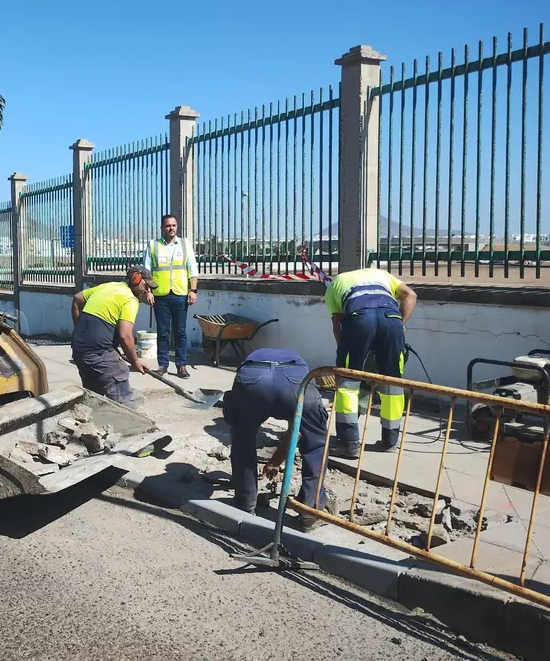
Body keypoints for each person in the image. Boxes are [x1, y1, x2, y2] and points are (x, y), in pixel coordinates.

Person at [222, 347, 335, 530]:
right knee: (316, 445)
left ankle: (246, 503)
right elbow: (295, 430)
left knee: (243, 438)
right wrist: (276, 461)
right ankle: (309, 512)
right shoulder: (298, 362)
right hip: (295, 381)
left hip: (253, 378)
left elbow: (237, 433)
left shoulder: (254, 355)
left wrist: (274, 462)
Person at [325, 268, 418, 458]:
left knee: (348, 384)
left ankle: (349, 443)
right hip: (392, 320)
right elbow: (410, 295)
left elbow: (338, 325)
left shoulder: (334, 284)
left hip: (359, 319)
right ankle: (390, 441)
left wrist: (346, 357)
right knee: (393, 383)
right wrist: (399, 325)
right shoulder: (381, 274)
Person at [70, 266, 155, 407]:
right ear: (136, 279)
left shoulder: (109, 286)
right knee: (120, 374)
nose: (147, 291)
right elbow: (125, 335)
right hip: (98, 352)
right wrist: (135, 361)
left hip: (79, 349)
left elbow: (77, 298)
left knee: (93, 396)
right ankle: (127, 424)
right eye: (145, 286)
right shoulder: (130, 299)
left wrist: (80, 329)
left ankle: (91, 421)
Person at [143, 214, 199, 379]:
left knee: (180, 331)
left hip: (181, 294)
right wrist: (148, 292)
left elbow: (192, 269)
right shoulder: (153, 245)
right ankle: (163, 365)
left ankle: (181, 365)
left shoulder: (184, 244)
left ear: (177, 227)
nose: (171, 228)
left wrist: (193, 290)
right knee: (163, 332)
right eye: (168, 226)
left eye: (174, 225)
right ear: (162, 227)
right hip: (160, 296)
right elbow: (146, 272)